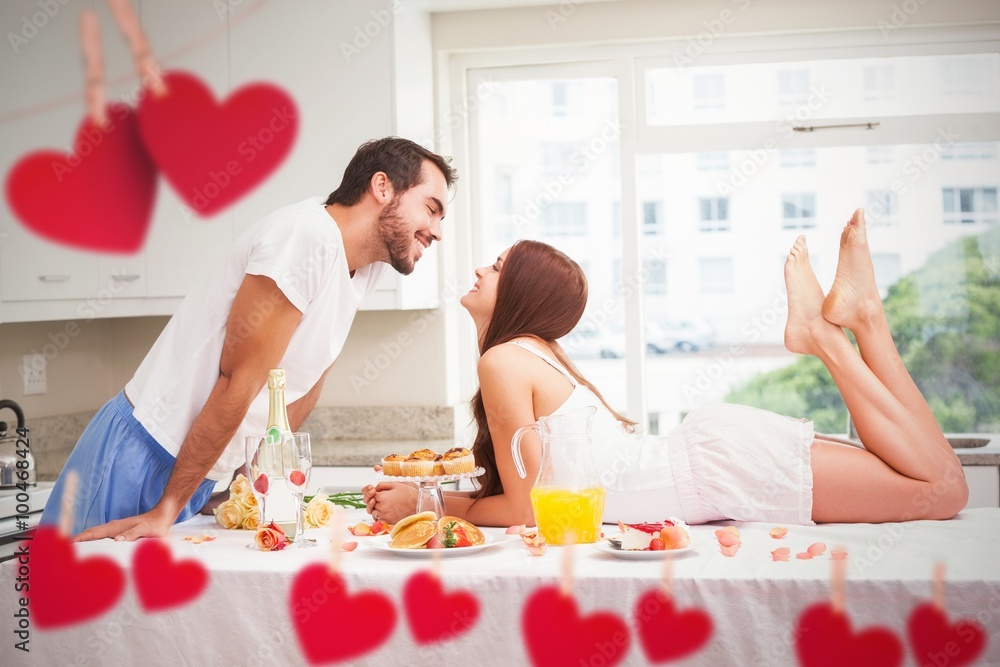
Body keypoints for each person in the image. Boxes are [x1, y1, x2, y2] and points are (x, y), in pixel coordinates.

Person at [364, 209, 969, 527]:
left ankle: (832, 335)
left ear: (520, 292)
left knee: (944, 490)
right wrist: (427, 493)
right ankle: (864, 322)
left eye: (496, 266)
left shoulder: (504, 359)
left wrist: (427, 505)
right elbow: (528, 490)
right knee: (937, 481)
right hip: (713, 459)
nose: (478, 270)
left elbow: (523, 511)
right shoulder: (531, 357)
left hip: (714, 468)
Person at [44, 137, 457, 540]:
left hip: (194, 471)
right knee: (66, 600)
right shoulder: (305, 237)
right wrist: (168, 507)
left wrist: (254, 479)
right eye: (431, 209)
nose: (437, 231)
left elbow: (303, 382)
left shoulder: (366, 267)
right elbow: (238, 379)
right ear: (382, 187)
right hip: (143, 451)